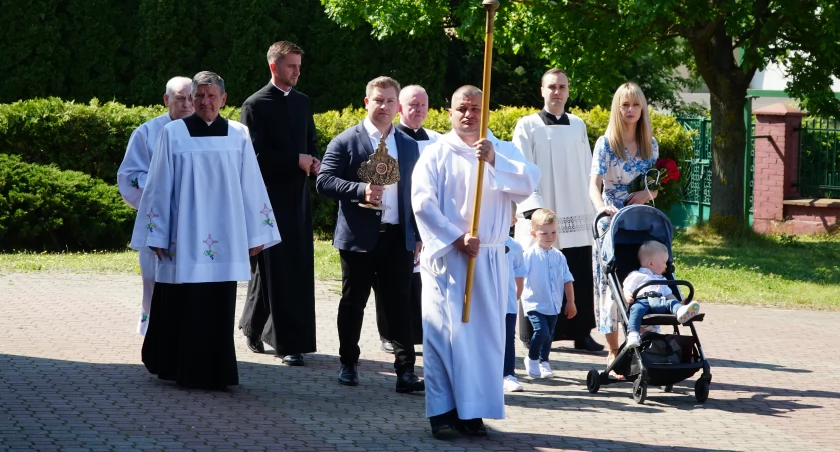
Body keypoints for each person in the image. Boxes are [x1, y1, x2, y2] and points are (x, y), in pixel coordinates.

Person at [131, 71, 281, 389]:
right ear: (191, 99)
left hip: (224, 239)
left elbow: (252, 186)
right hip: (183, 237)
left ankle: (218, 372)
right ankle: (180, 368)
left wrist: (256, 236)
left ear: (224, 99)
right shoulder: (173, 134)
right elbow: (158, 187)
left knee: (218, 304)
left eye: (212, 95)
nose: (205, 101)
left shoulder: (238, 134)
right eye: (199, 95)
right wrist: (156, 233)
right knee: (183, 303)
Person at [411, 85, 540, 438]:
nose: (469, 115)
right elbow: (423, 203)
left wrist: (495, 160)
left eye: (475, 109)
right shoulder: (436, 153)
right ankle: (442, 412)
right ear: (450, 112)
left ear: (486, 113)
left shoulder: (502, 149)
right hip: (448, 259)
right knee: (444, 336)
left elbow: (529, 181)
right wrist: (456, 237)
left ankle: (473, 411)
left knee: (485, 338)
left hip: (491, 259)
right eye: (462, 108)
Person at [315, 76, 424, 394]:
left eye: (391, 101)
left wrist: (416, 233)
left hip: (396, 236)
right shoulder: (346, 141)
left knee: (400, 304)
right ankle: (348, 363)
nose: (385, 106)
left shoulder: (408, 145)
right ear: (367, 102)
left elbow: (417, 193)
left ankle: (405, 371)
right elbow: (325, 181)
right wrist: (361, 189)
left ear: (398, 106)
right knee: (353, 303)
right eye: (379, 100)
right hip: (358, 238)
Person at [238, 41, 320, 366]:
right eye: (291, 66)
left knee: (290, 268)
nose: (298, 72)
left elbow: (311, 142)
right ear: (274, 67)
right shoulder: (255, 105)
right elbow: (254, 157)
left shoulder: (302, 102)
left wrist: (313, 160)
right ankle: (287, 344)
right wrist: (293, 159)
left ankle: (252, 325)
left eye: (299, 66)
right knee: (277, 267)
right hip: (268, 200)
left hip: (298, 198)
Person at [512, 68, 602, 352]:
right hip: (542, 213)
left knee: (576, 271)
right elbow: (522, 168)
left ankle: (581, 331)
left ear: (568, 90)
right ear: (542, 90)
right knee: (537, 273)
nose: (557, 92)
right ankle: (534, 333)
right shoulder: (526, 125)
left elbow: (589, 168)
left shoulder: (578, 125)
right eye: (551, 86)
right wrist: (533, 210)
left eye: (562, 86)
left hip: (575, 209)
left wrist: (593, 204)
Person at [589, 82, 659, 372]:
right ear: (617, 109)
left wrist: (647, 193)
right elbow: (594, 185)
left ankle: (646, 341)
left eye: (636, 105)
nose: (631, 110)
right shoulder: (606, 143)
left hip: (641, 215)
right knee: (611, 285)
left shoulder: (650, 144)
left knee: (645, 277)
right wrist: (602, 209)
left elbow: (655, 183)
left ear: (642, 108)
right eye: (625, 105)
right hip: (612, 218)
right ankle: (613, 350)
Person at [117, 76, 193, 335]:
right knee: (155, 280)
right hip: (158, 221)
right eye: (180, 98)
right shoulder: (147, 133)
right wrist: (159, 189)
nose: (186, 105)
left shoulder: (206, 131)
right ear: (166, 100)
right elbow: (129, 177)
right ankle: (153, 333)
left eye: (191, 98)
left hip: (195, 223)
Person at [376, 84, 441, 353]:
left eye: (423, 105)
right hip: (398, 217)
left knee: (422, 278)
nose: (418, 110)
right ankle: (389, 334)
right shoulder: (389, 139)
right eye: (413, 105)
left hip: (429, 217)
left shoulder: (437, 140)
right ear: (400, 107)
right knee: (389, 281)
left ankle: (420, 331)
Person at [520, 209, 576, 379]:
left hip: (554, 303)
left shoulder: (559, 256)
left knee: (550, 334)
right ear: (533, 233)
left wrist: (570, 302)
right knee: (542, 332)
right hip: (535, 303)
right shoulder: (528, 255)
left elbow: (567, 279)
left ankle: (544, 361)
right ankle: (532, 358)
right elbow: (519, 276)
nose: (550, 236)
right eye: (544, 233)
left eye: (553, 232)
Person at [622, 241, 701, 348]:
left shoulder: (662, 279)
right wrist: (627, 294)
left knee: (671, 302)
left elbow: (669, 295)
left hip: (660, 302)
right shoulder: (636, 275)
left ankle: (681, 311)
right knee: (636, 309)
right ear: (651, 263)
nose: (666, 266)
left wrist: (678, 303)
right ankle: (633, 335)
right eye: (664, 262)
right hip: (642, 301)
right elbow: (627, 286)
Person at [503, 205, 526, 393]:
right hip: (486, 303)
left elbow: (519, 274)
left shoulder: (515, 247)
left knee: (507, 339)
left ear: (513, 221)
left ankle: (508, 374)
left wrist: (516, 295)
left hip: (507, 303)